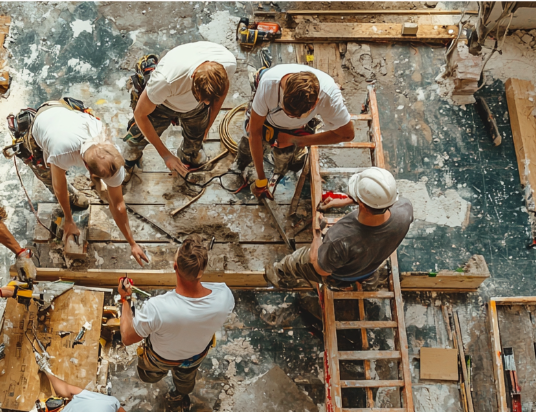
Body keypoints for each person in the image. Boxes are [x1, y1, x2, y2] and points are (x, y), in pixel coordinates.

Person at [117, 234, 235, 412]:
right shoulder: (224, 296)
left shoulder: (157, 308)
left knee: (148, 374)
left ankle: (157, 377)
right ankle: (181, 394)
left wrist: (125, 299)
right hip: (195, 355)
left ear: (175, 267)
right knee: (186, 379)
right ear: (202, 270)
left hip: (160, 358)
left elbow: (127, 337)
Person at [25, 101, 149, 266]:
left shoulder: (108, 148)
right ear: (89, 171)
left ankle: (86, 190)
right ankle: (73, 197)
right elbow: (59, 187)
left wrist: (132, 243)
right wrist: (69, 220)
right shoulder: (61, 151)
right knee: (46, 173)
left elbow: (119, 205)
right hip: (44, 120)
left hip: (66, 113)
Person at [265, 167, 413, 289]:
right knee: (358, 259)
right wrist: (345, 201)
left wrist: (317, 234)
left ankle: (281, 277)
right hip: (369, 265)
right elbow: (377, 206)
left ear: (361, 203)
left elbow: (320, 269)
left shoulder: (341, 237)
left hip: (342, 274)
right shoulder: (405, 211)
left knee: (299, 259)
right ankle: (366, 278)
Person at [233, 57, 355, 198]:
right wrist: (261, 179)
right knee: (248, 138)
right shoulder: (268, 85)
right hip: (267, 118)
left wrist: (297, 140)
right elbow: (255, 133)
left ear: (315, 102)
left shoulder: (330, 98)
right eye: (287, 112)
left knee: (286, 156)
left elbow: (347, 135)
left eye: (296, 116)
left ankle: (282, 168)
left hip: (294, 131)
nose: (290, 117)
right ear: (284, 92)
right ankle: (241, 162)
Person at [124, 41, 237, 177]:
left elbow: (221, 93)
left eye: (209, 100)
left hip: (195, 109)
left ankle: (189, 156)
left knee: (196, 138)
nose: (208, 103)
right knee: (138, 136)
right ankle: (129, 161)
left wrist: (208, 126)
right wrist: (166, 155)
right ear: (193, 78)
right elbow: (140, 115)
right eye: (202, 98)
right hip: (162, 105)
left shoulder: (228, 64)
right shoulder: (165, 81)